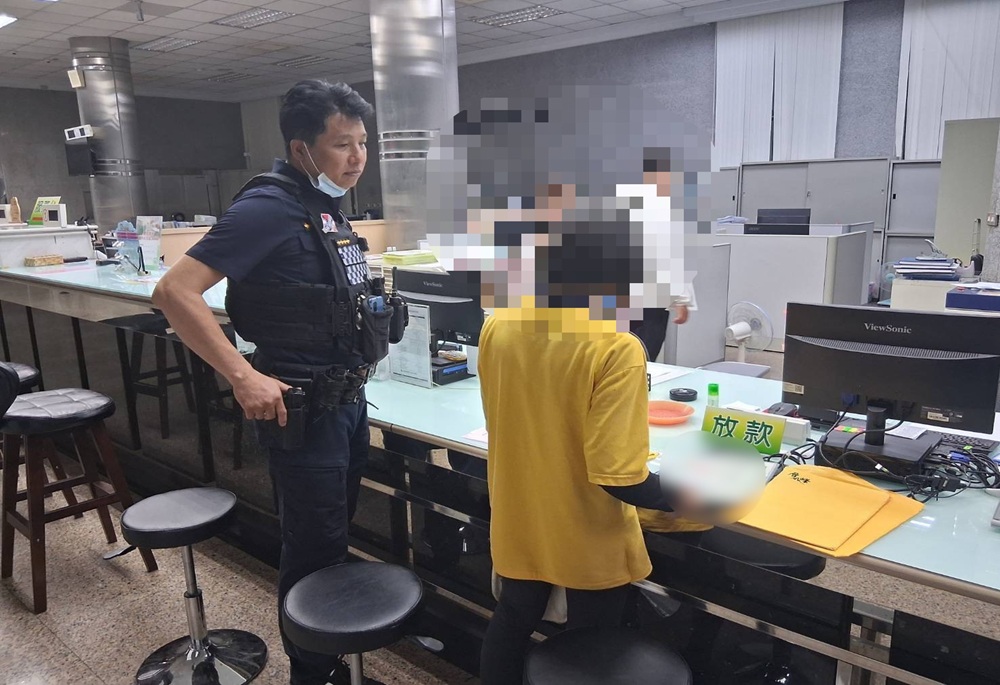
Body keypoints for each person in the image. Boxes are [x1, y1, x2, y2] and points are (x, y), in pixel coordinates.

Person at [424, 89, 707, 685]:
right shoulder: (615, 349)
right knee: (592, 641)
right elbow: (619, 476)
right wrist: (693, 498)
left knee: (513, 617)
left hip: (521, 516)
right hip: (586, 532)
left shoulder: (500, 324)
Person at [153, 80, 397, 685]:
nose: (357, 158)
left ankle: (326, 661)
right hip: (301, 409)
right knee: (314, 549)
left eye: (363, 143)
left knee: (333, 540)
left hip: (345, 401)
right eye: (342, 145)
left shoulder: (324, 208)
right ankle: (310, 674)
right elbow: (174, 291)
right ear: (301, 149)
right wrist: (242, 375)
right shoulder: (270, 207)